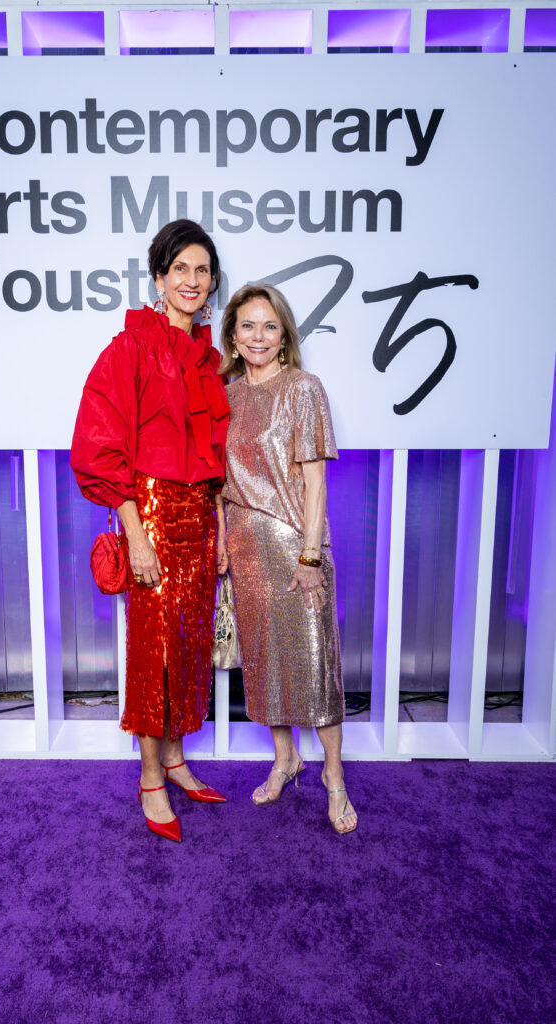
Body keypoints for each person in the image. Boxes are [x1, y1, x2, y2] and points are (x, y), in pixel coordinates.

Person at [71, 220, 229, 843]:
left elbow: (212, 455)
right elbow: (101, 448)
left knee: (189, 643)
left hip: (200, 517)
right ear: (159, 278)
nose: (192, 280)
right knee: (154, 650)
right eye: (179, 269)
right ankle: (149, 778)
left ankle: (177, 758)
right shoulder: (129, 350)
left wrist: (215, 522)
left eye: (202, 270)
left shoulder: (210, 358)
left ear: (212, 282)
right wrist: (137, 534)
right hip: (155, 515)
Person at [220, 284, 357, 834]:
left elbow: (317, 482)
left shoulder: (304, 388)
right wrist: (220, 540)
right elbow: (217, 482)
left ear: (284, 336)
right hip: (245, 548)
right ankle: (285, 759)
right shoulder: (224, 396)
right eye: (247, 325)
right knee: (266, 662)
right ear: (232, 333)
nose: (257, 336)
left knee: (315, 665)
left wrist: (310, 554)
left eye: (269, 326)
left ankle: (333, 776)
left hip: (294, 545)